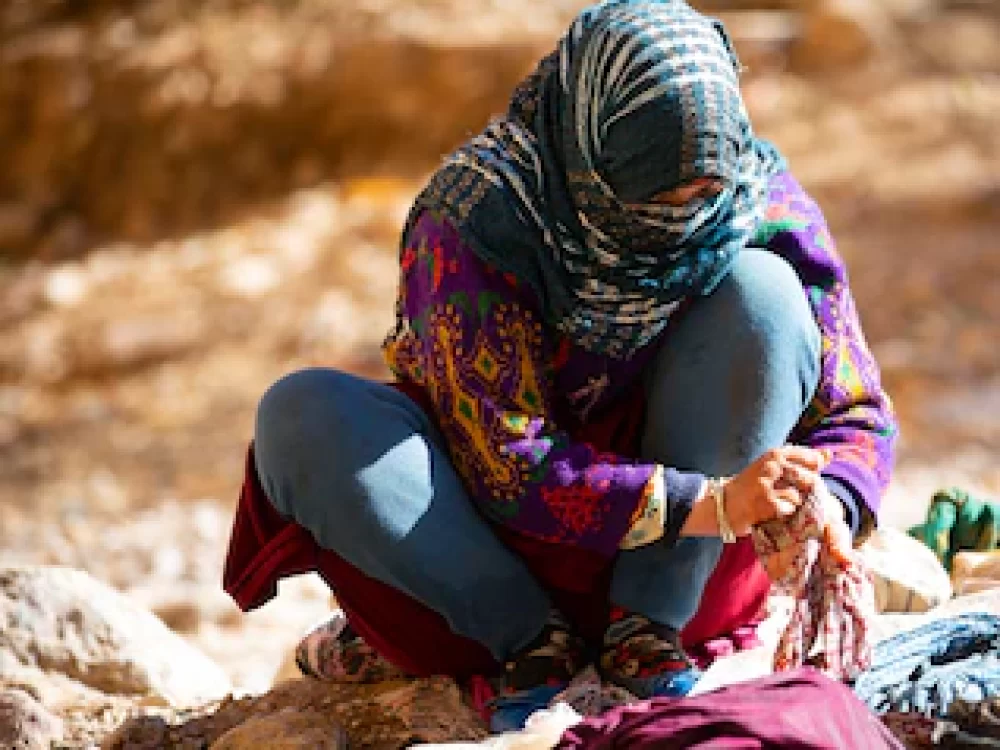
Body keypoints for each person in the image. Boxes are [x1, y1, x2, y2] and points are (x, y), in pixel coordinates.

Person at [229, 0, 897, 732]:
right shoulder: (479, 221)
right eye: (652, 201)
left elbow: (854, 409)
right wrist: (710, 506)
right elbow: (511, 460)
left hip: (689, 577)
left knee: (763, 294)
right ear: (587, 153)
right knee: (303, 414)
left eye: (699, 198)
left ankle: (643, 636)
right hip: (489, 560)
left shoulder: (754, 196)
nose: (681, 220)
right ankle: (532, 648)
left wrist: (826, 502)